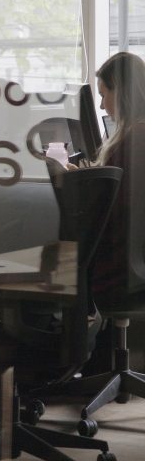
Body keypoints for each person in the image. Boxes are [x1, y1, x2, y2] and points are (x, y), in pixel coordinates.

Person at [85, 52, 145, 307]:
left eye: (104, 94)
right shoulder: (136, 133)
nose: (101, 105)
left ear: (121, 93)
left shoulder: (137, 138)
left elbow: (113, 210)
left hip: (120, 271)